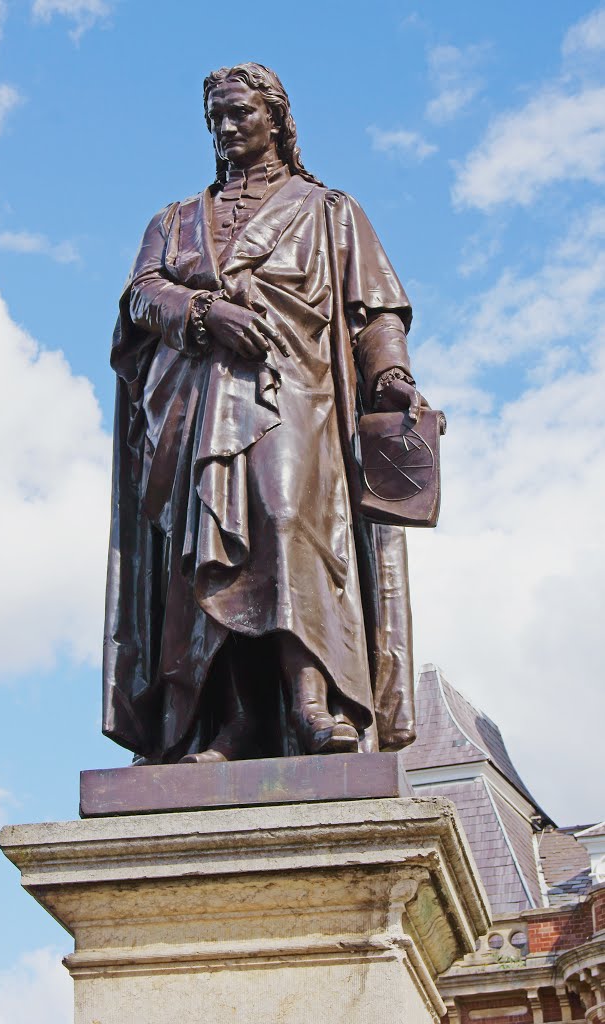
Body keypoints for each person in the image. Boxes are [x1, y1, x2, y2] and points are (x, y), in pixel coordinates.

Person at [103, 63, 424, 764]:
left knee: (284, 526)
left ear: (275, 119)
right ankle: (235, 720)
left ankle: (311, 700)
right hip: (194, 405)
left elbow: (374, 310)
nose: (224, 128)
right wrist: (201, 310)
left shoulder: (329, 210)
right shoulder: (174, 219)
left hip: (296, 395)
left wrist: (392, 375)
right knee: (202, 558)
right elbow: (139, 297)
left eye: (239, 114)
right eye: (214, 117)